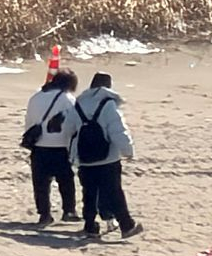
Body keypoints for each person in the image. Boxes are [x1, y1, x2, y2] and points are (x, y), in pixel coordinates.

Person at [64, 72, 142, 239]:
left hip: (85, 157)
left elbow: (68, 128)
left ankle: (90, 226)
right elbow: (118, 130)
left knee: (89, 193)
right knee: (114, 192)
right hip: (108, 158)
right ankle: (126, 225)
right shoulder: (108, 105)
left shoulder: (78, 104)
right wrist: (127, 151)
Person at [23, 69, 81, 226]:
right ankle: (69, 210)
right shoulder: (67, 98)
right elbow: (73, 123)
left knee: (40, 183)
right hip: (60, 145)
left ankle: (44, 214)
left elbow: (28, 121)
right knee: (66, 180)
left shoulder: (35, 97)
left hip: (38, 145)